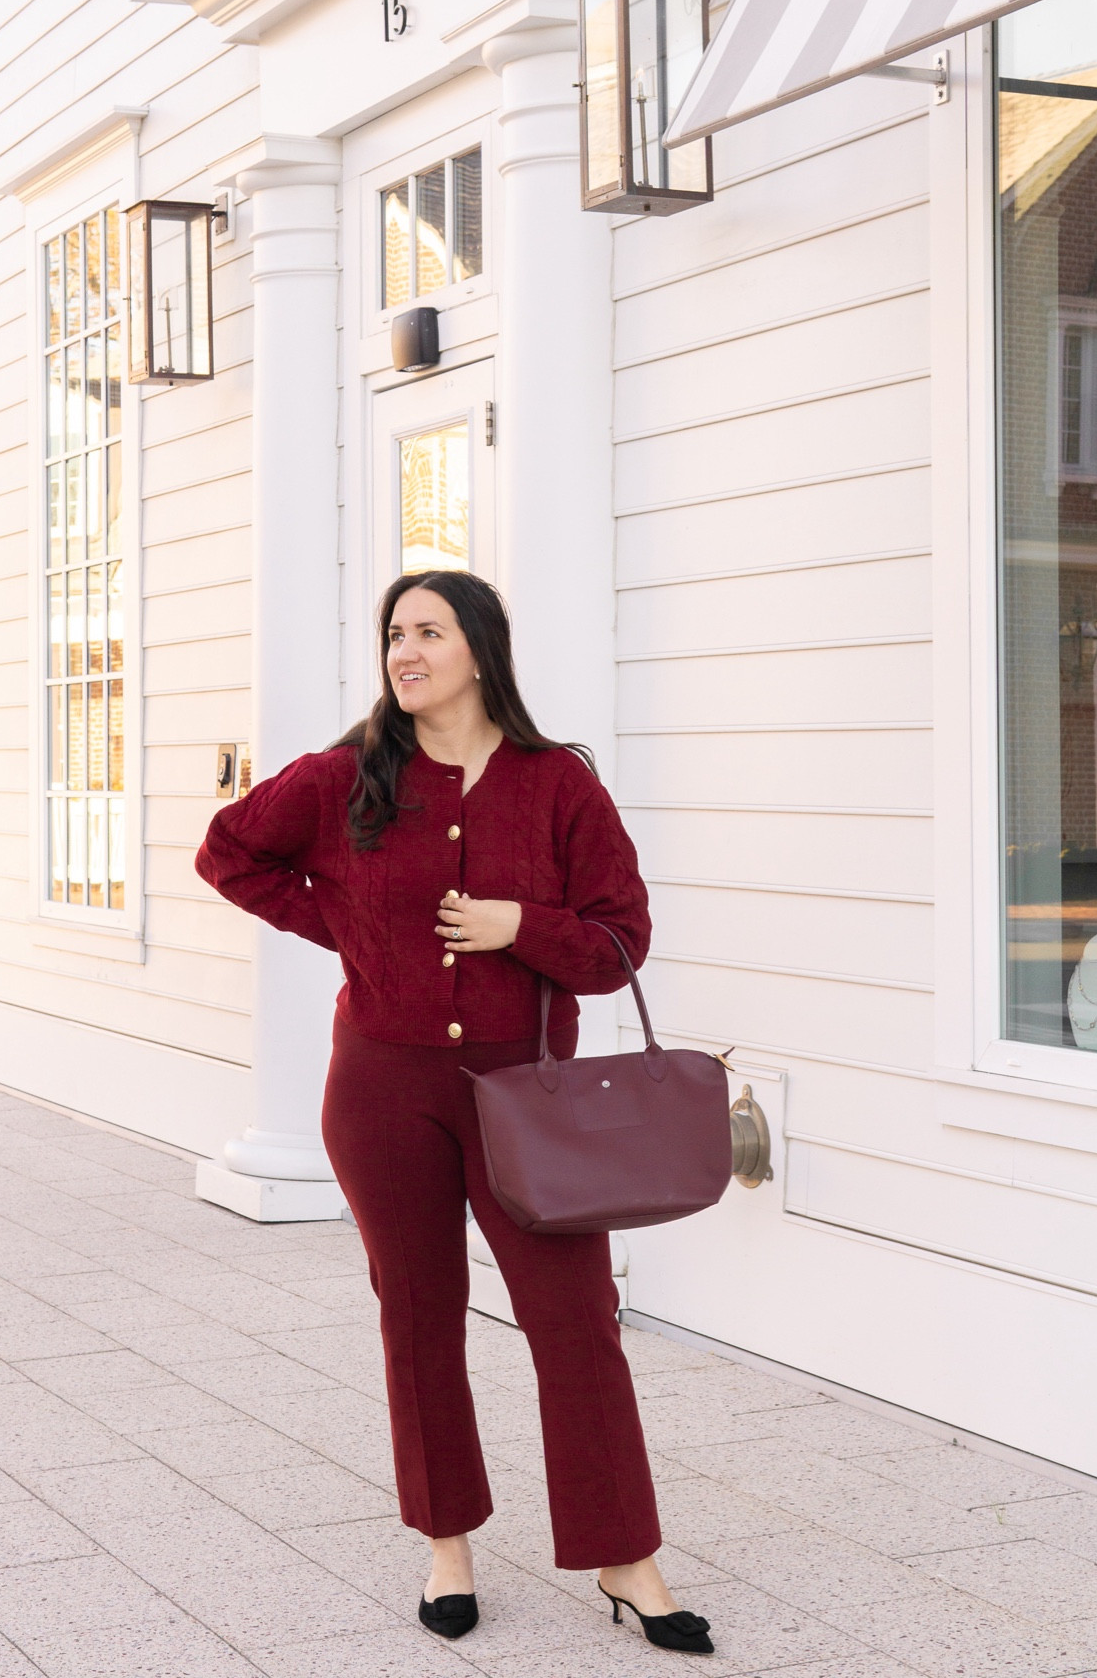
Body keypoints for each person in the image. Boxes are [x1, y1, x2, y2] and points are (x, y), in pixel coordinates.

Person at [197, 570, 713, 1655]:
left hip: (524, 1095)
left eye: (428, 630)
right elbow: (229, 850)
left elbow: (620, 943)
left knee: (576, 1323)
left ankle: (625, 1556)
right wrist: (345, 926)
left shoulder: (558, 784)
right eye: (394, 633)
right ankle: (447, 1544)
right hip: (382, 1089)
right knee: (417, 1317)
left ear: (480, 647)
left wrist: (518, 923)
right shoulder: (344, 777)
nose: (405, 650)